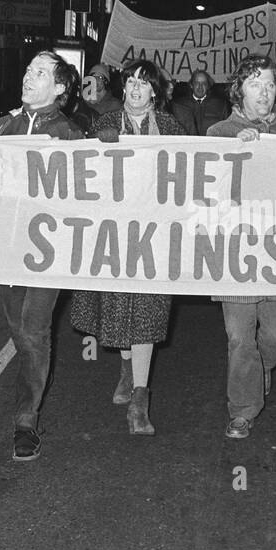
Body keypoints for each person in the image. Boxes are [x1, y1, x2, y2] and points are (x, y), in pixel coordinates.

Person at [72, 60, 187, 435]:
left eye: (144, 82)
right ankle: (126, 368)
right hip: (116, 238)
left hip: (155, 238)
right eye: (131, 82)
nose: (136, 88)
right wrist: (99, 148)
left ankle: (140, 397)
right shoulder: (105, 126)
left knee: (147, 312)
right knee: (119, 308)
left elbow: (189, 178)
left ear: (156, 91)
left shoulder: (172, 130)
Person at [0, 50, 86, 461]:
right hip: (8, 250)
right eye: (28, 69)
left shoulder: (69, 134)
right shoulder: (1, 126)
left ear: (59, 88)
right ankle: (29, 392)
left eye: (40, 72)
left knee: (34, 328)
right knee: (21, 331)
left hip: (48, 252)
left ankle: (25, 420)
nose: (28, 76)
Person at [206, 55, 276, 438]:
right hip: (235, 251)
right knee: (239, 335)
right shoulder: (219, 132)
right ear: (239, 90)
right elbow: (205, 190)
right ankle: (243, 408)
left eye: (268, 84)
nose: (263, 92)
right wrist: (232, 152)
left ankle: (260, 370)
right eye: (254, 84)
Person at [170, 70, 229, 135]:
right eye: (196, 83)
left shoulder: (220, 105)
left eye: (204, 83)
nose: (200, 87)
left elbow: (226, 130)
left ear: (208, 86)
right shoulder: (179, 105)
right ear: (191, 85)